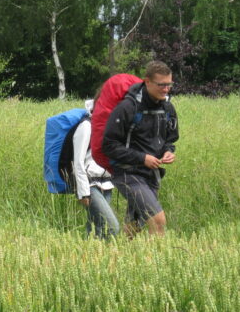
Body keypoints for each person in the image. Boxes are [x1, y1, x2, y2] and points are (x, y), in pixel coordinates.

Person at [102, 61, 179, 236]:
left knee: (135, 225)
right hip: (127, 174)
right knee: (158, 220)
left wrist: (169, 152)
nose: (166, 89)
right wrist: (142, 158)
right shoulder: (127, 108)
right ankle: (159, 263)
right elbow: (109, 145)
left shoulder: (167, 108)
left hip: (152, 174)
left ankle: (123, 257)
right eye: (161, 85)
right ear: (147, 82)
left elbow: (170, 139)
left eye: (169, 84)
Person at [72, 98, 119, 238]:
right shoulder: (86, 126)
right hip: (90, 184)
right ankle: (107, 257)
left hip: (107, 184)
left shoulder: (108, 127)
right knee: (112, 227)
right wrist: (83, 192)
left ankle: (88, 257)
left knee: (96, 228)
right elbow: (78, 162)